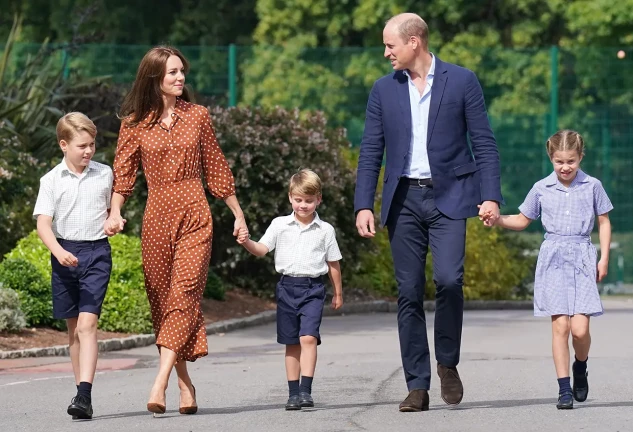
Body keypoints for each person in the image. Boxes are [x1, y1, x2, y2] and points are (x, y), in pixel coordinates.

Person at [354, 12, 503, 412]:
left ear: (414, 42)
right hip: (403, 200)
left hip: (451, 196)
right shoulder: (383, 90)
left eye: (390, 45)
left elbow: (484, 143)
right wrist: (363, 203)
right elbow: (371, 150)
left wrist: (490, 196)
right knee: (408, 292)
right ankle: (417, 385)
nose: (386, 52)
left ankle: (447, 363)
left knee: (450, 281)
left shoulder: (462, 80)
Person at [104, 46, 248, 415]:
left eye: (182, 71)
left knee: (184, 294)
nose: (180, 78)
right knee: (163, 303)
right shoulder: (134, 122)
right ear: (155, 78)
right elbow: (123, 176)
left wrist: (237, 213)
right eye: (172, 73)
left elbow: (215, 167)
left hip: (195, 213)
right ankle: (186, 385)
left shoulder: (197, 116)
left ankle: (160, 381)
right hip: (156, 219)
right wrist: (115, 213)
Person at [481, 130, 612, 409]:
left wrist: (603, 258)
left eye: (571, 161)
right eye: (559, 161)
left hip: (581, 256)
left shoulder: (592, 185)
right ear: (551, 158)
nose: (565, 167)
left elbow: (603, 221)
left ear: (580, 157)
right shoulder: (541, 188)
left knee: (580, 330)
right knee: (560, 326)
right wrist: (497, 219)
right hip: (553, 258)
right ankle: (564, 390)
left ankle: (581, 365)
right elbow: (522, 219)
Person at [238, 169, 343, 410]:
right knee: (291, 343)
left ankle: (306, 391)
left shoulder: (325, 230)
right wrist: (245, 242)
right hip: (286, 288)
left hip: (313, 288)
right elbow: (262, 249)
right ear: (290, 198)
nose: (303, 205)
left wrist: (338, 293)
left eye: (308, 200)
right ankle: (293, 394)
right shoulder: (280, 225)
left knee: (308, 338)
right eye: (298, 200)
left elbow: (333, 263)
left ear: (318, 199)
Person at [33, 112, 114, 420]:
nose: (88, 151)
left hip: (96, 254)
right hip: (64, 254)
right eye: (82, 145)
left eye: (92, 144)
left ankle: (84, 394)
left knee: (87, 325)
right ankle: (83, 396)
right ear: (64, 145)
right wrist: (58, 251)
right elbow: (43, 224)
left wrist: (114, 219)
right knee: (73, 332)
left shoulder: (104, 174)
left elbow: (111, 209)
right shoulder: (51, 180)